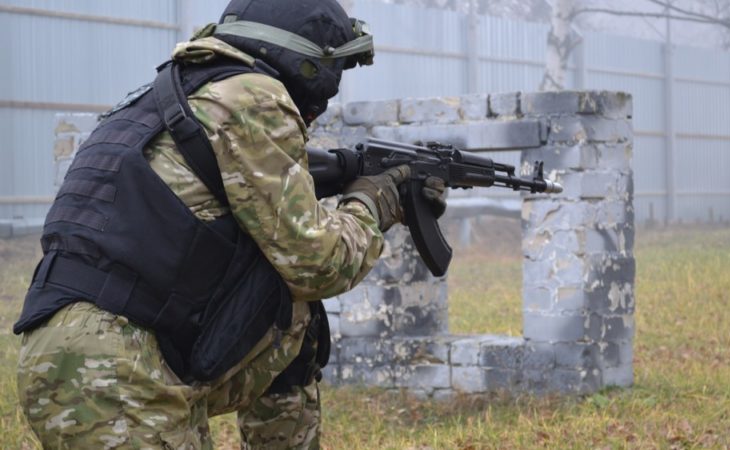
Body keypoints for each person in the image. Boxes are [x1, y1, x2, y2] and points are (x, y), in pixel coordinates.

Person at [14, 0, 443, 448]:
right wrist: (374, 202)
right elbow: (320, 264)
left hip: (73, 351)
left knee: (293, 313)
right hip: (119, 370)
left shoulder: (166, 94)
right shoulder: (253, 96)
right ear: (310, 65)